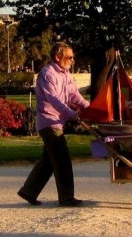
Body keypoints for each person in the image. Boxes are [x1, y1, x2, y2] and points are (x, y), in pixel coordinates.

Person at [18, 42, 90, 207]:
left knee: (49, 160)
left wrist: (89, 108)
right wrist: (72, 114)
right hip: (49, 122)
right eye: (69, 57)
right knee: (62, 160)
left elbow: (74, 95)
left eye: (73, 57)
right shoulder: (48, 73)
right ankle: (66, 198)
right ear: (58, 57)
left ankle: (28, 191)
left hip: (58, 122)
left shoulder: (65, 74)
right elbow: (54, 100)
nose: (72, 60)